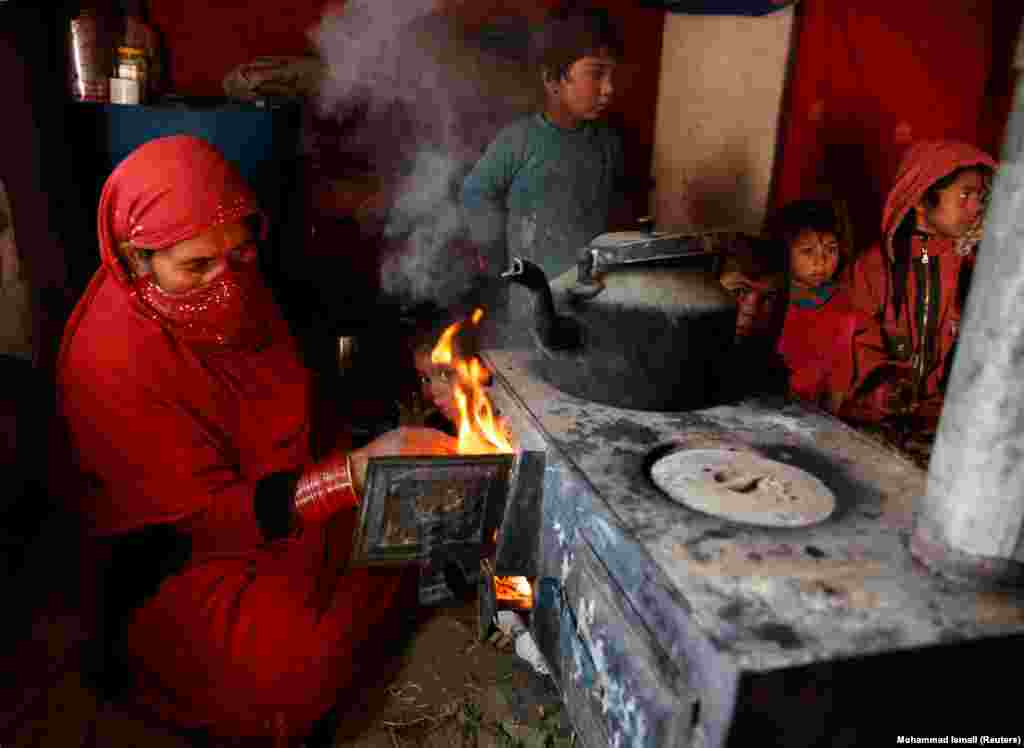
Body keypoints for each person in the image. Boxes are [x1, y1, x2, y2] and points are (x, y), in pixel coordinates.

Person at [55, 135, 457, 744]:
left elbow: (307, 390)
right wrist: (349, 475)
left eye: (239, 256)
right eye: (195, 267)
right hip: (182, 557)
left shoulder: (244, 292)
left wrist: (424, 371)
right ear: (138, 262)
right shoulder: (111, 363)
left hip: (280, 502)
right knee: (289, 668)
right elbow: (202, 524)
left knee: (401, 524)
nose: (228, 284)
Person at [460, 4, 629, 285]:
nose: (609, 89)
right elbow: (475, 194)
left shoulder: (608, 144)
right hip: (531, 302)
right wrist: (494, 256)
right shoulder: (517, 141)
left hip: (590, 296)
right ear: (552, 79)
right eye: (597, 74)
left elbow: (617, 216)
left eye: (612, 76)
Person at [842, 140, 996, 430]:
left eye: (980, 196)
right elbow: (855, 337)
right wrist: (885, 387)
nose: (976, 207)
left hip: (945, 420)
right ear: (921, 199)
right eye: (965, 195)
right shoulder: (873, 268)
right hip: (876, 417)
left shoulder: (969, 264)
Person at [772, 199, 869, 414]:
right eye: (808, 251)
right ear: (784, 252)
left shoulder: (842, 303)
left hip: (814, 413)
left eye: (831, 249)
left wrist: (828, 420)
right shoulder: (770, 298)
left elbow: (839, 376)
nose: (821, 261)